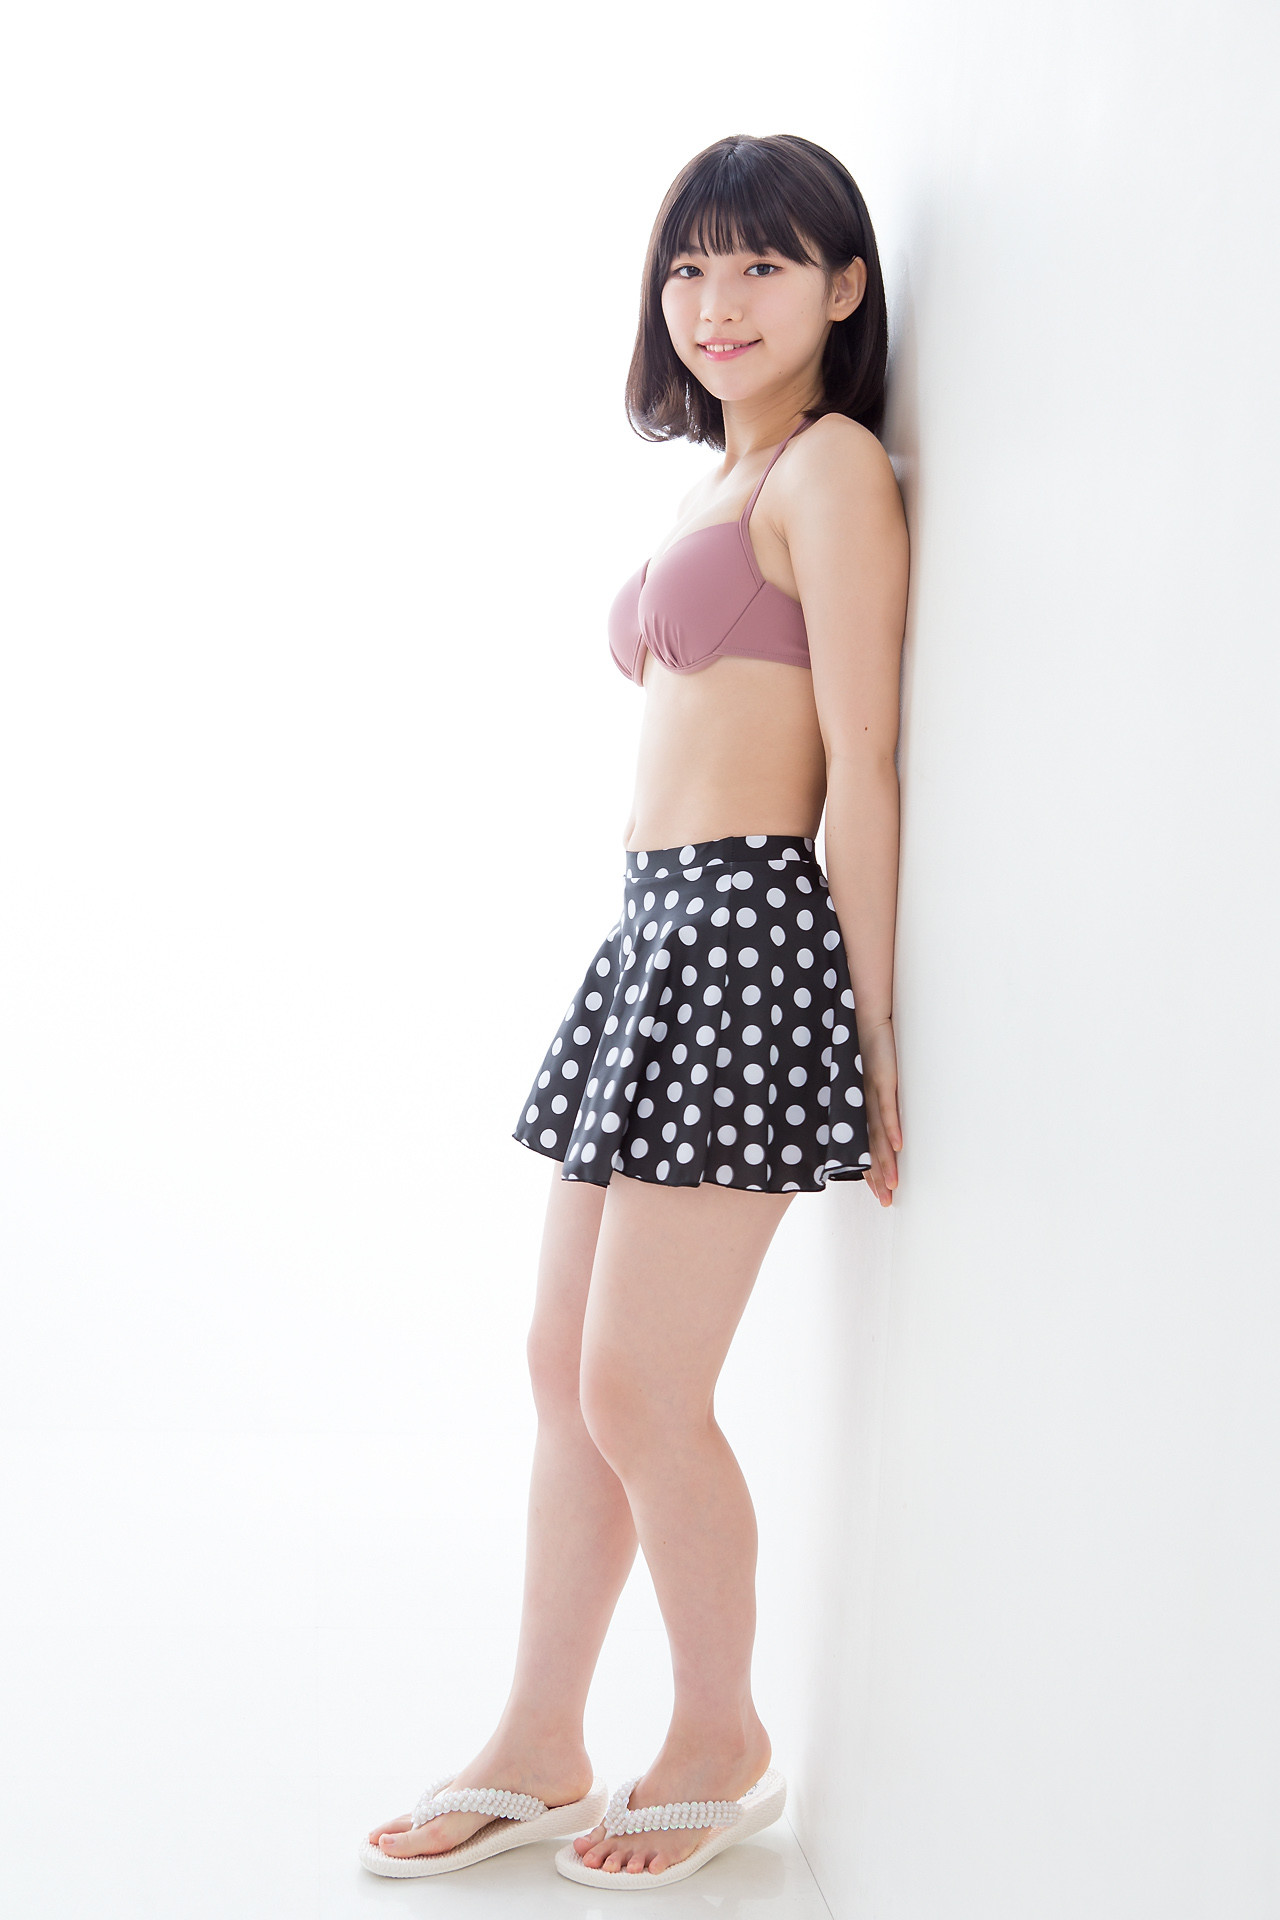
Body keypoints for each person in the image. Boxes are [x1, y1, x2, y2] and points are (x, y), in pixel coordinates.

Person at [360, 130, 909, 1887]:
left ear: (844, 287)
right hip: (648, 933)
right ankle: (539, 1739)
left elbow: (867, 761)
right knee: (563, 1370)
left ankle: (718, 1738)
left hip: (745, 930)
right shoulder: (713, 480)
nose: (715, 300)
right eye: (689, 267)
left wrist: (873, 1031)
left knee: (641, 1383)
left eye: (761, 265)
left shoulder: (831, 470)